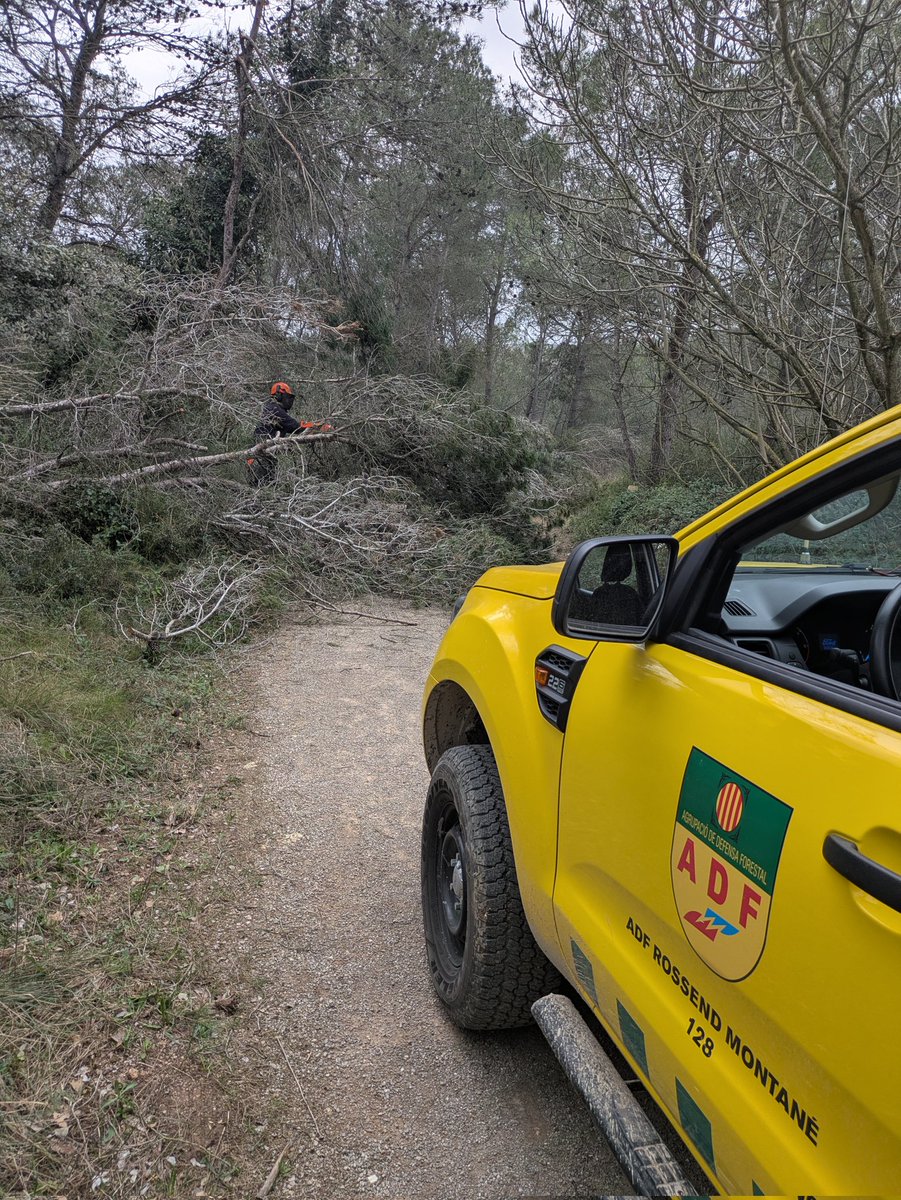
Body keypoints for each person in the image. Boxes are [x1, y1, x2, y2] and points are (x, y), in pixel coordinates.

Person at [246, 381, 301, 486]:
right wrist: (315, 426)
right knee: (261, 489)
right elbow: (296, 427)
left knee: (262, 487)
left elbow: (292, 428)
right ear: (279, 395)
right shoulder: (274, 409)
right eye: (287, 397)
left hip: (263, 456)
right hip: (261, 458)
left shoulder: (272, 409)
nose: (289, 401)